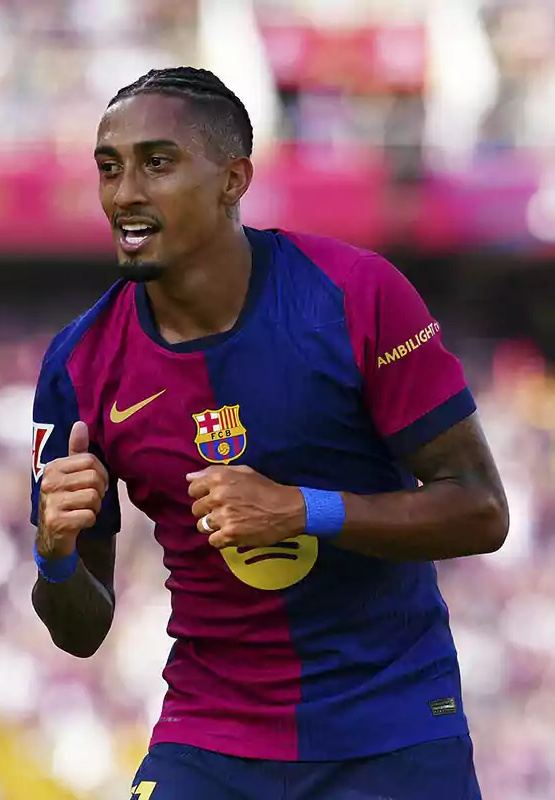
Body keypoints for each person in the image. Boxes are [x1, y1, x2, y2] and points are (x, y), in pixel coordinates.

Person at [28, 67, 505, 800]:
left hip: (390, 728)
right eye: (109, 167)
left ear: (233, 179)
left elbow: (480, 509)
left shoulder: (356, 295)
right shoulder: (78, 365)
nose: (125, 192)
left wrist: (302, 509)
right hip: (210, 737)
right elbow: (80, 631)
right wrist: (55, 556)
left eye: (157, 163)